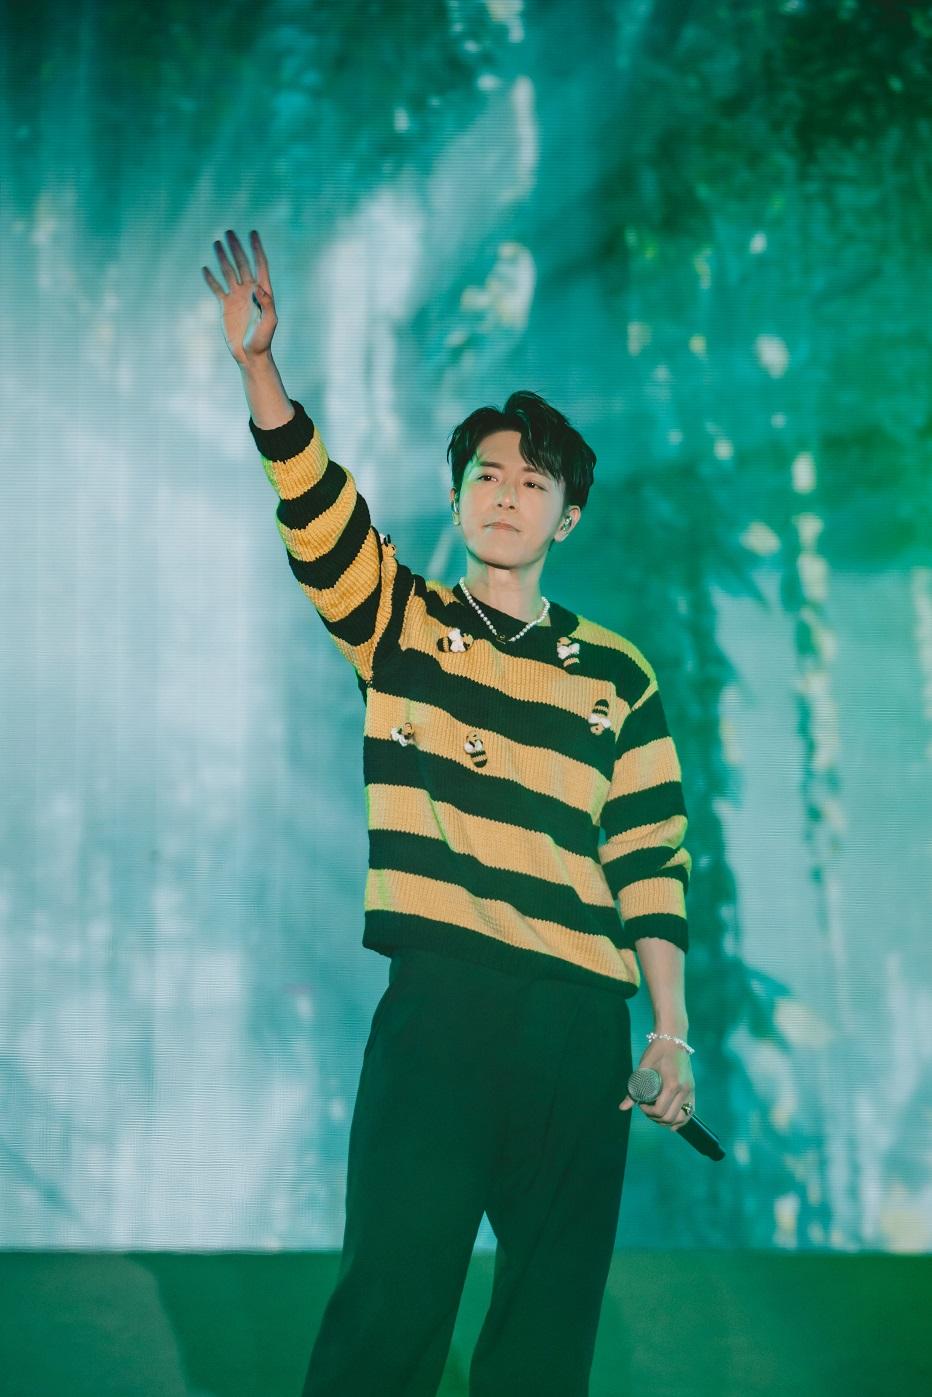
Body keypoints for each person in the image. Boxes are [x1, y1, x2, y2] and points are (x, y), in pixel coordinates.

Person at [203, 229, 697, 1397]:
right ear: (458, 495)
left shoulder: (617, 674)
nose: (505, 493)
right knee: (389, 1301)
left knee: (546, 1328)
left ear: (566, 515)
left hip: (579, 1024)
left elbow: (648, 857)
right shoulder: (401, 623)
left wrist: (667, 1032)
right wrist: (260, 369)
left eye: (532, 481)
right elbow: (317, 511)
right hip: (439, 1011)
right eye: (485, 474)